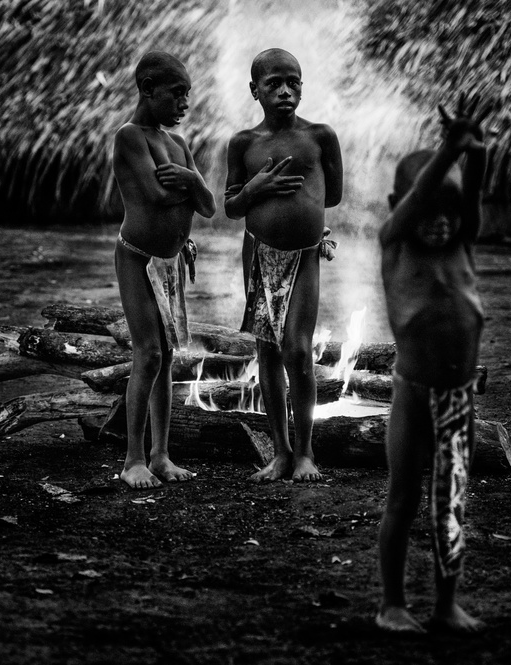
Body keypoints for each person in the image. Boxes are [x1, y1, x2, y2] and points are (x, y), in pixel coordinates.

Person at [375, 94, 491, 634]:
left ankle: (446, 604)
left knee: (451, 500)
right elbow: (423, 195)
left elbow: (472, 197)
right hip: (414, 395)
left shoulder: (461, 245)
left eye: (451, 213)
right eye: (429, 212)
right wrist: (448, 151)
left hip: (458, 398)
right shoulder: (396, 245)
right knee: (403, 499)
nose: (441, 223)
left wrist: (476, 153)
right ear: (401, 205)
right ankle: (392, 604)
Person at [224, 48, 343, 483]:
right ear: (254, 90)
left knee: (297, 349)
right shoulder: (244, 143)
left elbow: (333, 195)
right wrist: (257, 188)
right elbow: (232, 207)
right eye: (273, 83)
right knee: (268, 352)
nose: (285, 91)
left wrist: (303, 218)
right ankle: (280, 452)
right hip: (259, 254)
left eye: (293, 82)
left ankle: (306, 452)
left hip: (305, 255)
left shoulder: (320, 136)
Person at [111, 51, 216, 489]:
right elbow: (155, 196)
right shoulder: (129, 137)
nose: (185, 103)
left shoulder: (178, 144)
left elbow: (209, 206)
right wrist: (191, 187)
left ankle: (160, 456)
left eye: (187, 94)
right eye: (176, 93)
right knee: (149, 353)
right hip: (137, 257)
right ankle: (132, 460)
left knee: (168, 357)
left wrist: (192, 182)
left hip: (169, 262)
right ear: (148, 89)